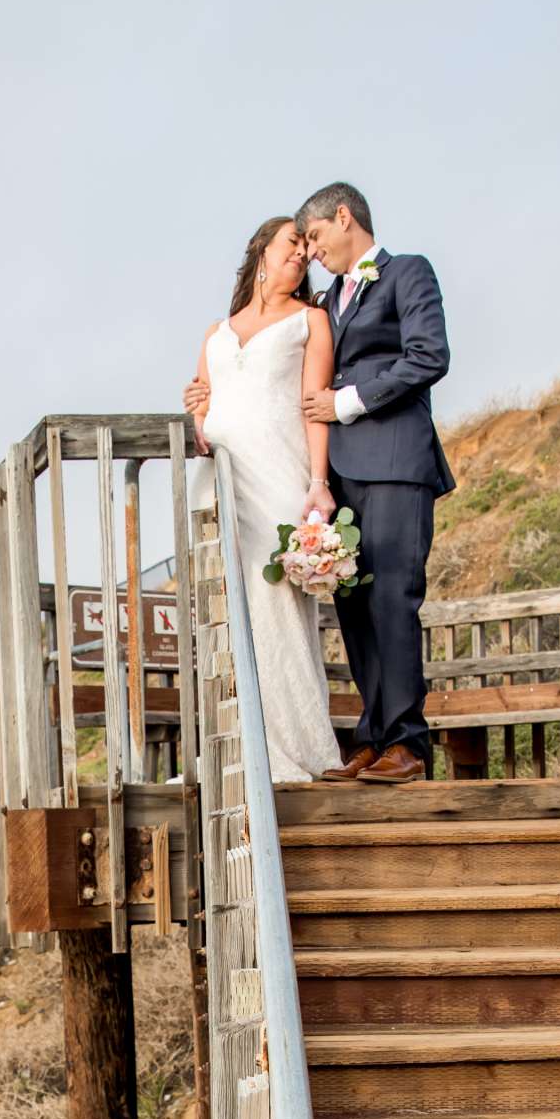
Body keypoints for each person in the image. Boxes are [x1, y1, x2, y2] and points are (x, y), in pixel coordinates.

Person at [295, 181, 455, 782]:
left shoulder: (408, 272)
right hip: (341, 473)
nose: (312, 251)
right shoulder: (327, 299)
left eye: (315, 236)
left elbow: (428, 357)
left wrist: (349, 402)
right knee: (354, 604)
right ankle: (372, 736)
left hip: (394, 459)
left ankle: (408, 743)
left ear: (344, 217)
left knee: (393, 597)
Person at [182, 217, 343, 785]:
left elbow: (313, 404)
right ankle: (232, 748)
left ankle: (296, 750)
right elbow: (202, 412)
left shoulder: (310, 321)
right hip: (222, 482)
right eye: (291, 246)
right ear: (261, 257)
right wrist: (194, 411)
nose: (300, 256)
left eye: (305, 249)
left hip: (277, 474)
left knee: (275, 602)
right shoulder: (215, 333)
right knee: (226, 608)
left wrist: (318, 482)